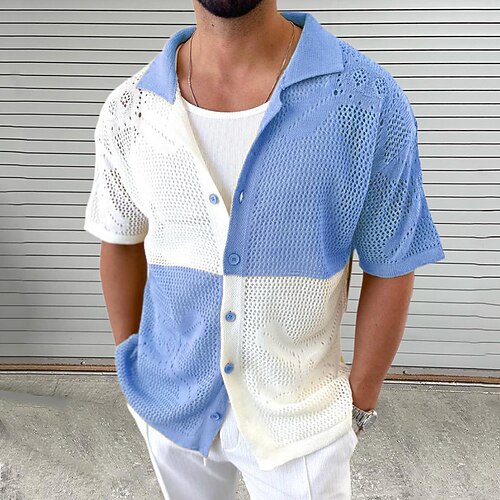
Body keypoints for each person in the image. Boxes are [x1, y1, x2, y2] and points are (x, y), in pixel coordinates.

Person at [83, 1, 445, 498]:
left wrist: (359, 403)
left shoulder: (366, 99)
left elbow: (393, 260)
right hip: (170, 407)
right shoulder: (132, 109)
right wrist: (133, 362)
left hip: (303, 422)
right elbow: (121, 239)